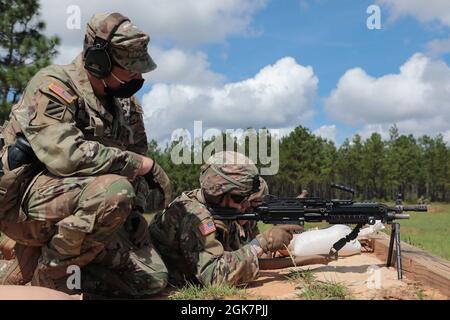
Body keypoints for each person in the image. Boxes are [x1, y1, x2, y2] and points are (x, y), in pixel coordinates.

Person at [0, 12, 170, 297]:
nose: (138, 76)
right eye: (130, 68)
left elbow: (139, 159)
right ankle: (50, 274)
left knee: (152, 279)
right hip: (22, 203)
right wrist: (139, 165)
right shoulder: (54, 85)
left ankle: (32, 258)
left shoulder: (127, 105)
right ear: (99, 62)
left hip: (85, 202)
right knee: (116, 192)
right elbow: (67, 156)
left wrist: (134, 220)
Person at [149, 151, 303, 287]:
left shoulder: (219, 210)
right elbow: (215, 276)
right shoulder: (194, 215)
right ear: (219, 192)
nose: (244, 205)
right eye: (239, 198)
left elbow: (235, 252)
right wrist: (261, 243)